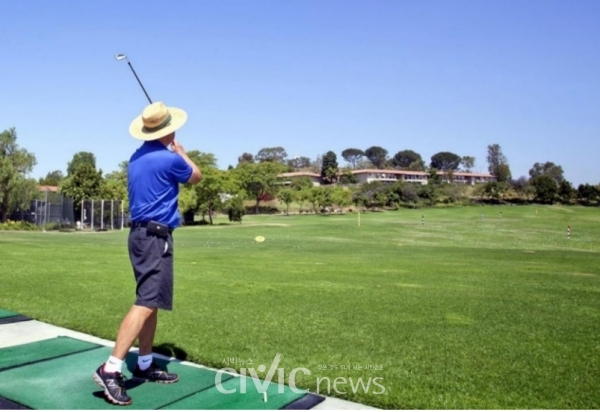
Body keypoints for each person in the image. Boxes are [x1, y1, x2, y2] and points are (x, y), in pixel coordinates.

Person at [93, 102, 202, 406]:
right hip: (154, 237)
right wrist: (180, 150)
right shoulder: (170, 160)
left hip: (142, 235)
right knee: (144, 303)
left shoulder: (136, 157)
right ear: (170, 128)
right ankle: (111, 369)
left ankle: (143, 364)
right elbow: (196, 176)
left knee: (151, 303)